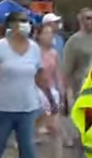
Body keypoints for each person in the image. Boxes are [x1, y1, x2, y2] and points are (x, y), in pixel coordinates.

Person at [0, 12, 55, 158]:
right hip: (1, 108)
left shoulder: (34, 48)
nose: (26, 24)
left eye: (27, 21)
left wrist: (51, 100)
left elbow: (40, 77)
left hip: (27, 108)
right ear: (11, 25)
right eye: (22, 21)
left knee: (27, 150)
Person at [61, 8, 92, 146]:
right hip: (82, 87)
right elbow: (67, 69)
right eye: (87, 18)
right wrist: (64, 94)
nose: (91, 21)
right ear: (81, 20)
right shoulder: (73, 42)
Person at [34, 24, 63, 158]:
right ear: (39, 35)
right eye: (46, 33)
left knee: (55, 129)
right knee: (36, 129)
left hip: (51, 92)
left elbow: (57, 74)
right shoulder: (33, 53)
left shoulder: (54, 53)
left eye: (51, 33)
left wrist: (62, 92)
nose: (49, 36)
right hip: (36, 93)